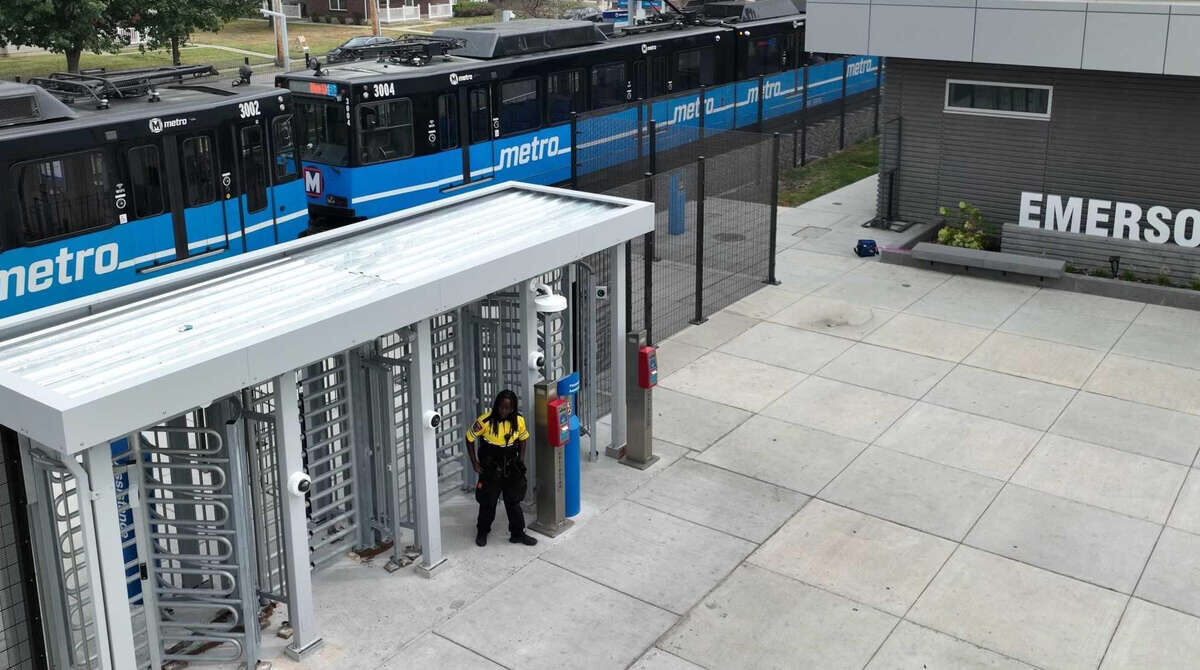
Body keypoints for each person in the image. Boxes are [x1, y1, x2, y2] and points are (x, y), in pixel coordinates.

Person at [466, 390, 538, 547]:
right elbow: (469, 438)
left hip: (511, 467)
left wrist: (520, 460)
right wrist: (474, 463)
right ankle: (483, 531)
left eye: (508, 408)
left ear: (513, 408)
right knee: (488, 502)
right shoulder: (484, 421)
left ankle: (518, 533)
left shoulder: (518, 421)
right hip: (491, 469)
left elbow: (523, 439)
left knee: (513, 502)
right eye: (501, 407)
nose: (504, 411)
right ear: (497, 405)